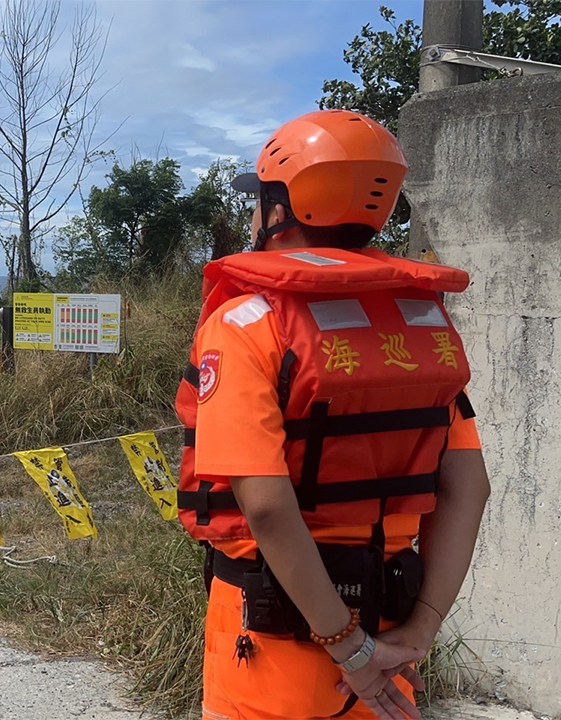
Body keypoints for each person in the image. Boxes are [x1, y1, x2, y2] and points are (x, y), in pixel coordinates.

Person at [174, 109, 491, 720]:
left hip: (278, 637)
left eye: (261, 198)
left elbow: (263, 504)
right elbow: (469, 488)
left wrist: (347, 647)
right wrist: (421, 629)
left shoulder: (248, 323)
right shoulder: (421, 326)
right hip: (394, 631)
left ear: (279, 208)